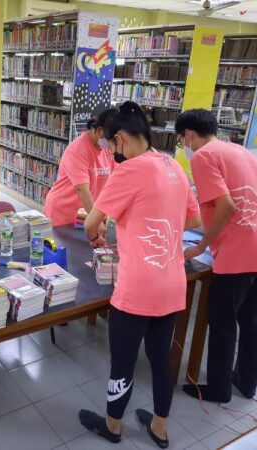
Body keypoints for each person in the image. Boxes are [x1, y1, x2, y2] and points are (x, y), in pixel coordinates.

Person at [78, 101, 201, 448]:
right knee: (161, 361)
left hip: (137, 288)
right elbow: (193, 220)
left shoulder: (129, 171)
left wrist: (97, 236)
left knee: (124, 360)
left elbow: (91, 222)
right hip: (172, 282)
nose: (110, 152)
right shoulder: (172, 164)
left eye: (110, 145)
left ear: (119, 139)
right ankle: (159, 429)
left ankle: (113, 426)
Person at [176, 109, 257, 403]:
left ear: (188, 134)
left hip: (239, 253)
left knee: (222, 321)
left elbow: (226, 206)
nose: (183, 149)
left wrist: (200, 247)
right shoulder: (241, 151)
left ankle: (219, 388)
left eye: (180, 142)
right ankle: (247, 382)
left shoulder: (203, 156)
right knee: (252, 318)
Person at [43, 109, 117, 227]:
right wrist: (95, 222)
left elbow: (116, 181)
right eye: (113, 140)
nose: (115, 144)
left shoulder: (108, 149)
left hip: (86, 215)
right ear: (100, 131)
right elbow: (82, 190)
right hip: (63, 215)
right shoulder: (77, 149)